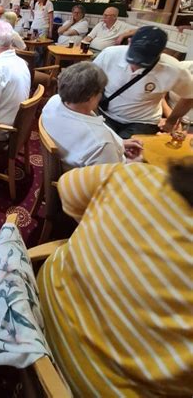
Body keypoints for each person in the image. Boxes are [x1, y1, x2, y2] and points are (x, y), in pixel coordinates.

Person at [37, 158, 193, 396]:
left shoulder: (136, 175)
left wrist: (105, 224)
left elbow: (67, 188)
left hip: (35, 301)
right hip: (86, 383)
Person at [94, 26, 193, 137]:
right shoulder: (109, 54)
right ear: (129, 42)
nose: (136, 66)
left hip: (142, 122)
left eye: (143, 62)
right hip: (105, 114)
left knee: (127, 152)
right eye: (133, 58)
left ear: (161, 53)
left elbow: (189, 96)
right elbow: (90, 82)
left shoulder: (174, 69)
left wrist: (171, 121)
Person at [42, 62, 143, 168]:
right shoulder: (101, 144)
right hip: (92, 178)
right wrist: (134, 164)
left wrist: (120, 143)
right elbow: (108, 179)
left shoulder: (54, 101)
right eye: (101, 92)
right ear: (91, 97)